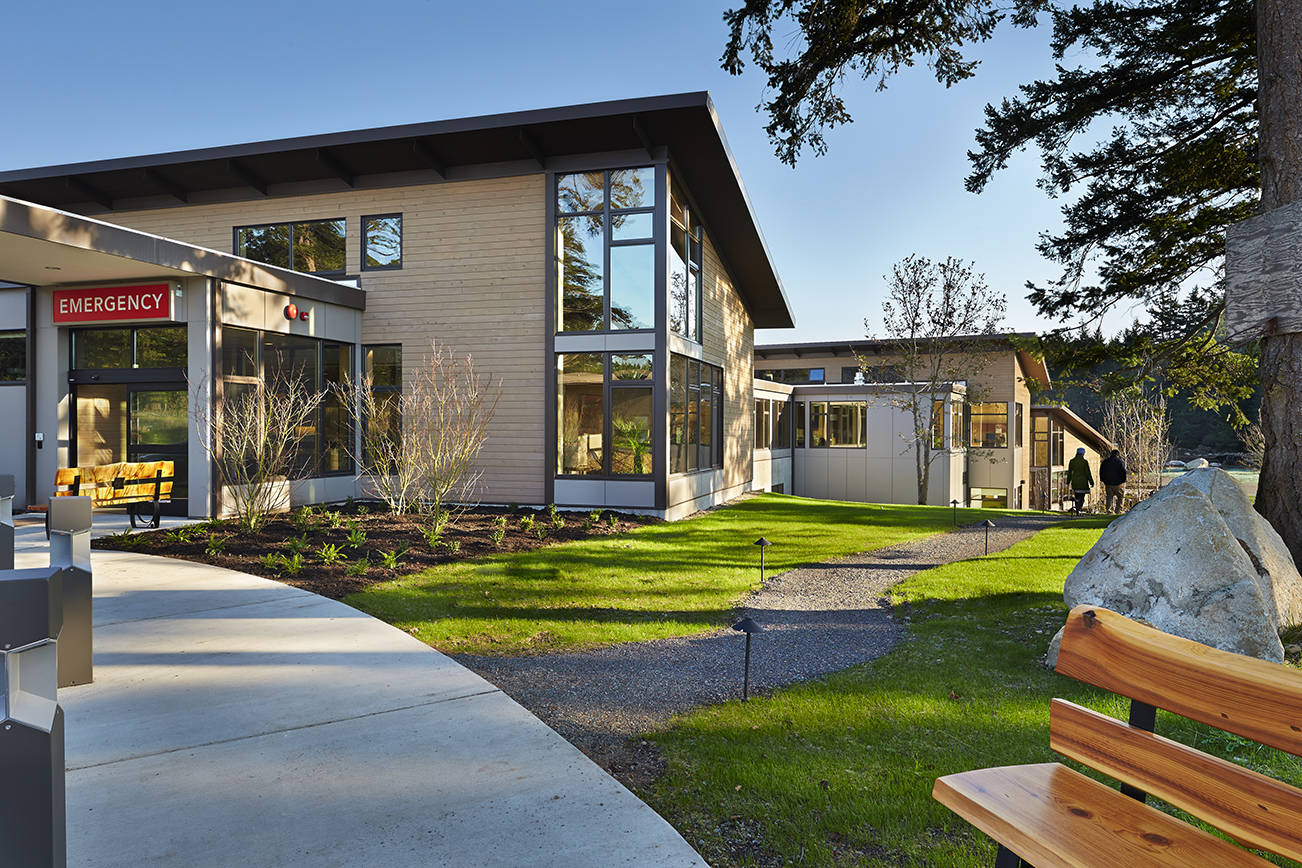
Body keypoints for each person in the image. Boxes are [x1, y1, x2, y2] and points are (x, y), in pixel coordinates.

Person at [1067, 447, 1094, 514]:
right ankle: (1078, 509)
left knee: (1077, 496)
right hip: (1083, 482)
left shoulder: (1072, 461)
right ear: (1083, 454)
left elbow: (1069, 472)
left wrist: (1068, 481)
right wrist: (1091, 482)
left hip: (1075, 482)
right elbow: (1088, 472)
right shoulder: (1084, 462)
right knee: (1082, 497)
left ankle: (1077, 508)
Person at [1099, 448, 1127, 512]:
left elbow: (1101, 471)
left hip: (1108, 483)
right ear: (1118, 455)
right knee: (1120, 496)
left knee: (1109, 496)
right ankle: (1118, 510)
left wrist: (1103, 480)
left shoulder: (1105, 462)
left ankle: (1108, 510)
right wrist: (1123, 480)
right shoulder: (1119, 462)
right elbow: (1123, 472)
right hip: (1118, 483)